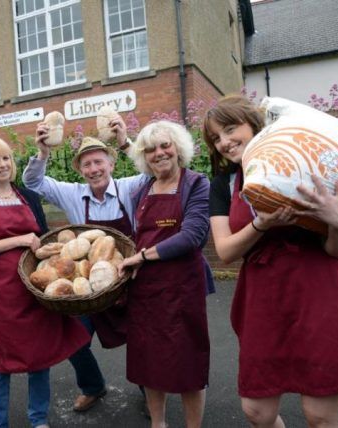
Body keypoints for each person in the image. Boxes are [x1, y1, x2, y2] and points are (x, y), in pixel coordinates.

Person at [203, 95, 338, 428]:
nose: (224, 142)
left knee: (320, 416)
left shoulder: (303, 163)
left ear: (255, 126)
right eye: (215, 138)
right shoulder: (223, 185)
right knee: (257, 412)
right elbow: (226, 251)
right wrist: (262, 224)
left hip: (321, 287)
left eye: (231, 129)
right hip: (263, 292)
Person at [22, 117, 149, 412]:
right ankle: (93, 386)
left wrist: (126, 141)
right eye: (87, 165)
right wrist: (42, 152)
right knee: (74, 339)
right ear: (80, 170)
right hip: (84, 281)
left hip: (125, 279)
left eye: (98, 162)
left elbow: (154, 168)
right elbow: (33, 182)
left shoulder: (131, 188)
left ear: (111, 164)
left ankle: (149, 392)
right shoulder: (72, 193)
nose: (93, 169)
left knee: (141, 339)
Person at [0, 137, 90, 428]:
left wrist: (51, 250)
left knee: (39, 359)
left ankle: (38, 420)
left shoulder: (28, 197)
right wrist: (19, 240)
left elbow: (41, 238)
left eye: (6, 158)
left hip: (36, 287)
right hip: (1, 293)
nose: (3, 164)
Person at [118, 120, 211, 428]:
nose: (159, 153)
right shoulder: (142, 189)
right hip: (145, 290)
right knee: (149, 362)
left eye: (165, 145)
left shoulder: (196, 184)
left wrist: (143, 256)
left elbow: (192, 236)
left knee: (189, 362)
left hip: (183, 288)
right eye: (151, 149)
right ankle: (158, 424)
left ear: (178, 148)